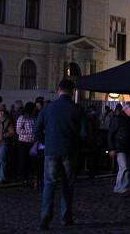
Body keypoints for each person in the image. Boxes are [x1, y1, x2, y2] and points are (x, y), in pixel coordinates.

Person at [34, 79, 86, 230]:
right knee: (67, 184)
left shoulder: (48, 108)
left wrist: (47, 141)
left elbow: (37, 130)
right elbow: (84, 133)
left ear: (58, 90)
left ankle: (45, 217)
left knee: (49, 184)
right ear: (73, 92)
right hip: (70, 151)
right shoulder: (77, 109)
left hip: (51, 151)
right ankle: (66, 217)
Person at [108, 102, 130, 195]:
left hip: (127, 147)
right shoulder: (119, 119)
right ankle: (121, 187)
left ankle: (119, 187)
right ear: (126, 109)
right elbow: (110, 134)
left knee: (124, 168)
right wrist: (111, 148)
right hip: (120, 147)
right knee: (124, 167)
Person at [16, 102, 37, 186]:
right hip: (23, 142)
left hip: (32, 142)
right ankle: (24, 178)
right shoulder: (22, 118)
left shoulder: (34, 118)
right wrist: (29, 132)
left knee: (32, 161)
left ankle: (31, 177)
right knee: (24, 160)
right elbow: (18, 130)